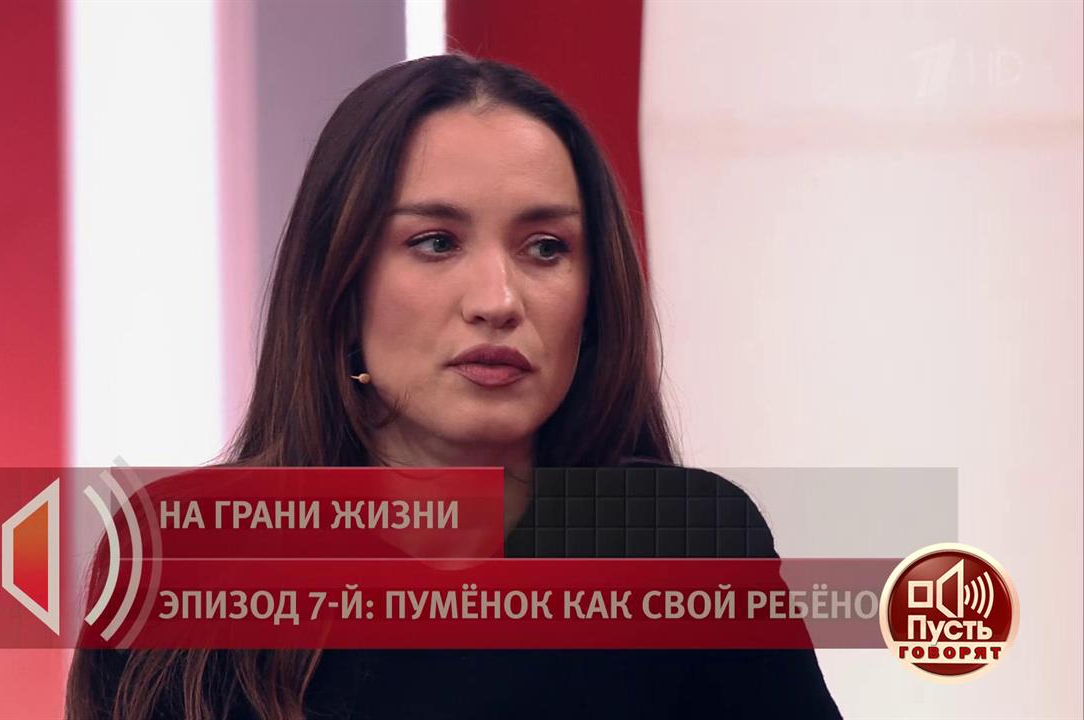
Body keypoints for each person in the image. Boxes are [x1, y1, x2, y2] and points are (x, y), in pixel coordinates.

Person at [66, 53, 841, 719]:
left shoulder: (687, 544)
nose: (497, 301)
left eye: (546, 248)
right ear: (341, 285)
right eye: (435, 242)